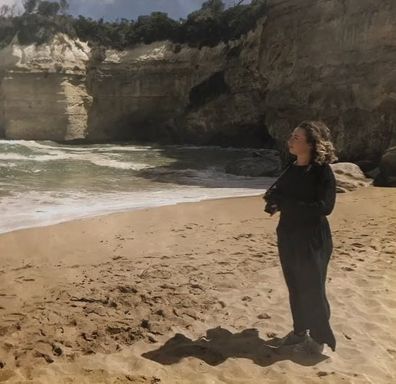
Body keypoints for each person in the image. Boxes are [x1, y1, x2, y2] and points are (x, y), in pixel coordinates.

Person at [263, 120, 338, 354]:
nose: (290, 140)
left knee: (312, 288)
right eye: (292, 135)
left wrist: (287, 203)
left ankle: (319, 339)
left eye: (296, 137)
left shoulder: (322, 172)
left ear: (311, 144)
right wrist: (274, 201)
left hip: (312, 237)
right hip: (288, 233)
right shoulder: (291, 165)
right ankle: (299, 331)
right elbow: (283, 193)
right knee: (295, 285)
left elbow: (324, 207)